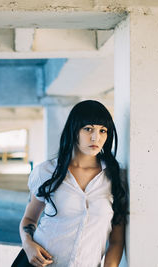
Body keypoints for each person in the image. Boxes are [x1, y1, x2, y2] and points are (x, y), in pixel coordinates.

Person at [18, 100, 128, 267]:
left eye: (103, 130)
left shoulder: (115, 178)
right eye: (88, 129)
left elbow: (116, 242)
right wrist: (28, 245)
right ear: (74, 130)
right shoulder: (46, 172)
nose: (95, 137)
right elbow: (29, 219)